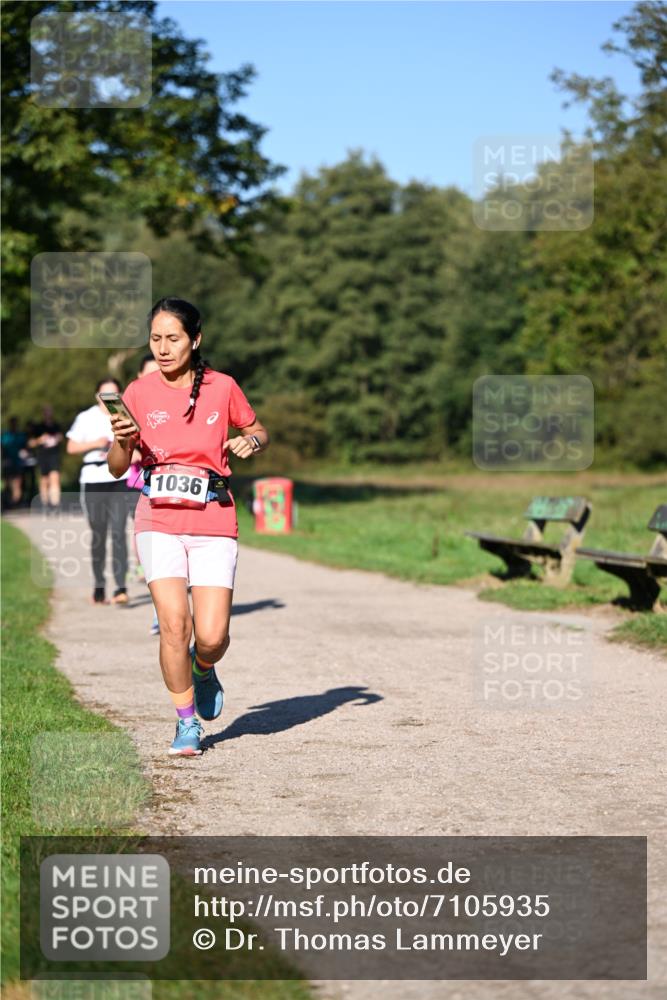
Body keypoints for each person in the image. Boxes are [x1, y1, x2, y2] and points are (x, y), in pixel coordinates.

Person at [107, 297, 269, 757]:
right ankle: (186, 723)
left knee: (213, 636)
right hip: (158, 519)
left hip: (213, 519)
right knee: (175, 625)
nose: (162, 347)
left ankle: (203, 668)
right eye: (155, 338)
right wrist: (121, 442)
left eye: (172, 338)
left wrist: (251, 442)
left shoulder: (222, 387)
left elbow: (259, 429)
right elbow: (119, 467)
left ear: (195, 340)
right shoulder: (137, 393)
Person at [66, 379, 132, 605]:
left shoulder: (125, 416)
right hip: (93, 480)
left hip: (119, 479)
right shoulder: (86, 417)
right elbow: (71, 447)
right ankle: (99, 586)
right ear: (97, 396)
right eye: (105, 395)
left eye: (114, 394)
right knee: (99, 535)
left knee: (119, 532)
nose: (109, 399)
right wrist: (95, 444)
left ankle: (121, 587)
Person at [127, 353, 161, 635]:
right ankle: (160, 613)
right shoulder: (134, 404)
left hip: (179, 491)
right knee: (152, 550)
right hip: (140, 483)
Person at [28, 405, 63, 513]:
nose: (48, 414)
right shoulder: (38, 427)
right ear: (43, 414)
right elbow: (30, 443)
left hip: (54, 454)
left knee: (55, 478)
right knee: (44, 480)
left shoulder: (56, 426)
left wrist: (58, 438)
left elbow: (61, 437)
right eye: (46, 412)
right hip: (43, 455)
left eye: (50, 412)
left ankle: (55, 504)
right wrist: (40, 439)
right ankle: (45, 503)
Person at [1, 416, 27, 507]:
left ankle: (15, 502)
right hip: (8, 462)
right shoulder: (5, 435)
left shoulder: (21, 435)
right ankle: (8, 501)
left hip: (18, 462)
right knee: (7, 483)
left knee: (17, 483)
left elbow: (25, 447)